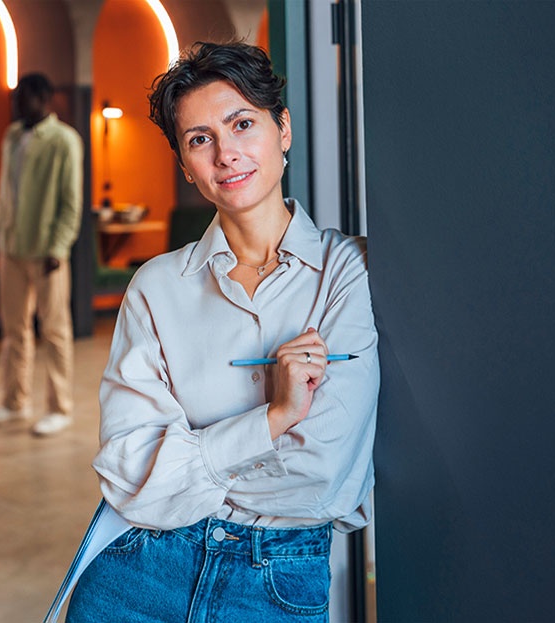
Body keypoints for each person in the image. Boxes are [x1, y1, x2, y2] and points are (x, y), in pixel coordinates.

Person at [66, 42, 379, 621]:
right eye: (200, 139)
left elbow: (324, 474)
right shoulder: (156, 287)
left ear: (282, 128)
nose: (227, 154)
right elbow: (130, 471)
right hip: (138, 573)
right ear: (186, 165)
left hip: (277, 579)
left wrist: (184, 462)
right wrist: (275, 417)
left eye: (242, 124)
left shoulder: (348, 269)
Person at [0, 73, 83, 437]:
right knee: (13, 330)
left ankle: (59, 408)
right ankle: (14, 402)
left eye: (22, 99)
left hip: (46, 252)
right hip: (11, 248)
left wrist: (58, 247)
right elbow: (4, 193)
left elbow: (71, 202)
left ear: (44, 99)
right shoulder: (11, 136)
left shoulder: (64, 140)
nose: (16, 106)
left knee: (54, 331)